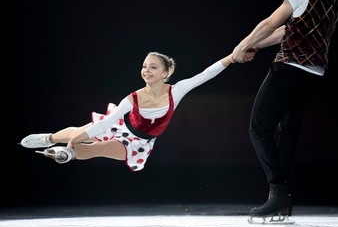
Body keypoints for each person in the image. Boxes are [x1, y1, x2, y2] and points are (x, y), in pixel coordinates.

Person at [231, 0, 338, 221]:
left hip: (288, 69)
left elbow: (270, 23)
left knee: (259, 127)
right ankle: (282, 197)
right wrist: (256, 47)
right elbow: (288, 30)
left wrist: (242, 45)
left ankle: (277, 191)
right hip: (313, 73)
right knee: (287, 132)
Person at [19, 51, 245, 170]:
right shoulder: (132, 98)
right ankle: (49, 138)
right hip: (121, 126)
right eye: (144, 66)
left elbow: (206, 74)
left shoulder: (176, 91)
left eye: (153, 67)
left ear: (166, 72)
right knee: (77, 133)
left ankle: (66, 154)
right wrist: (78, 137)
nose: (146, 70)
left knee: (98, 149)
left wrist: (233, 57)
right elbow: (105, 124)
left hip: (139, 142)